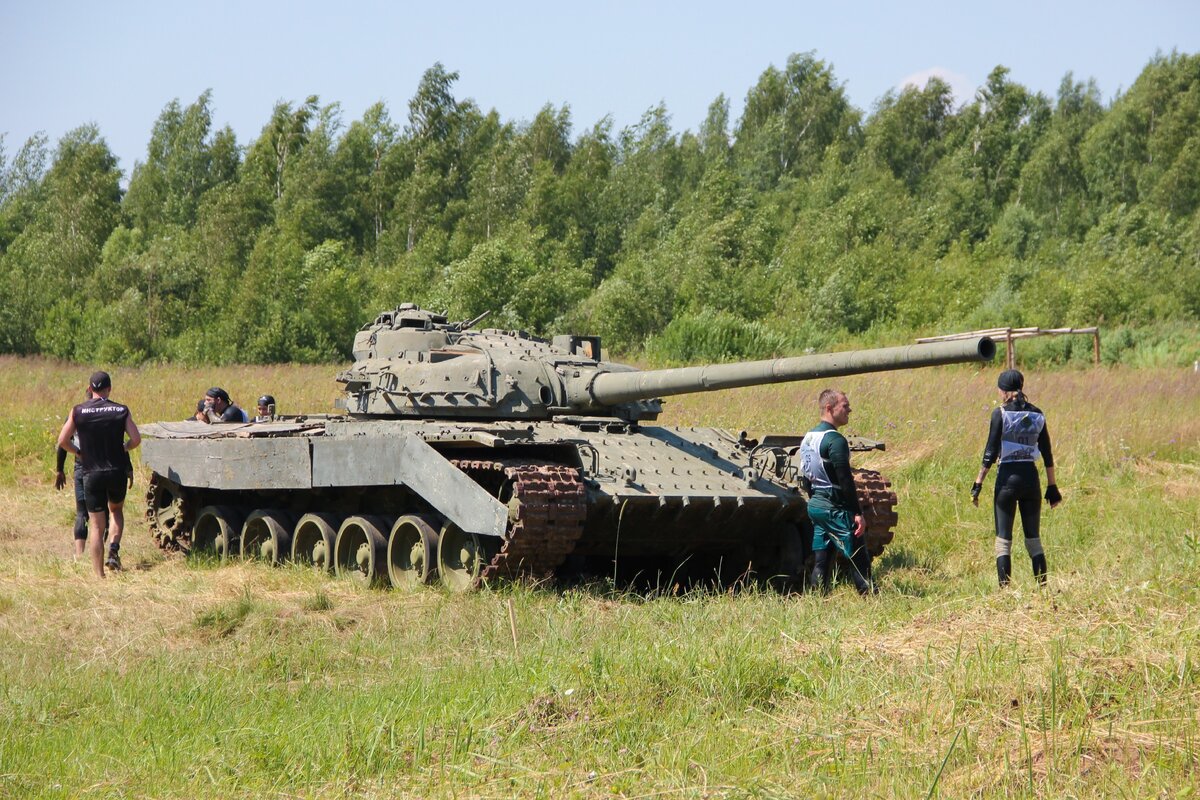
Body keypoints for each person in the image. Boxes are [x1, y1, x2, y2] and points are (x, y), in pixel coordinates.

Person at [971, 369, 1062, 587]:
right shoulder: (1037, 414)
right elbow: (1047, 452)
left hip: (1007, 481)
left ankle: (1005, 592)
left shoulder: (1000, 413)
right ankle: (1042, 587)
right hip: (1031, 479)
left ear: (1002, 390)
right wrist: (1052, 486)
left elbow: (990, 453)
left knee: (1003, 540)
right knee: (1033, 539)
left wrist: (978, 484)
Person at [56, 371, 141, 578]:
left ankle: (99, 575)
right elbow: (136, 439)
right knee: (116, 511)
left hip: (91, 472)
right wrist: (124, 447)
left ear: (90, 389)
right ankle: (113, 549)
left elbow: (62, 440)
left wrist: (78, 452)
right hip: (116, 471)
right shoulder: (121, 410)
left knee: (95, 525)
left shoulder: (78, 411)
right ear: (109, 389)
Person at [799, 389, 874, 595]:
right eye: (845, 405)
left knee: (822, 560)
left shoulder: (808, 438)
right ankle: (872, 601)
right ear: (829, 408)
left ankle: (818, 601)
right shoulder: (835, 440)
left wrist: (817, 501)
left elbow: (805, 475)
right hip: (836, 505)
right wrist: (857, 513)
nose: (849, 409)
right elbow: (845, 479)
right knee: (858, 556)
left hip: (817, 504)